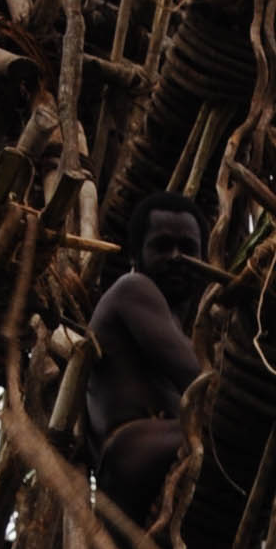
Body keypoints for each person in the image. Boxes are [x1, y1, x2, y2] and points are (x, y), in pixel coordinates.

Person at [83, 196, 210, 527]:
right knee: (235, 430)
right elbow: (198, 383)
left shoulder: (177, 323)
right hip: (131, 452)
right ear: (135, 255)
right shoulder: (134, 289)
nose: (177, 257)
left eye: (188, 248)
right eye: (162, 246)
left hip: (157, 452)